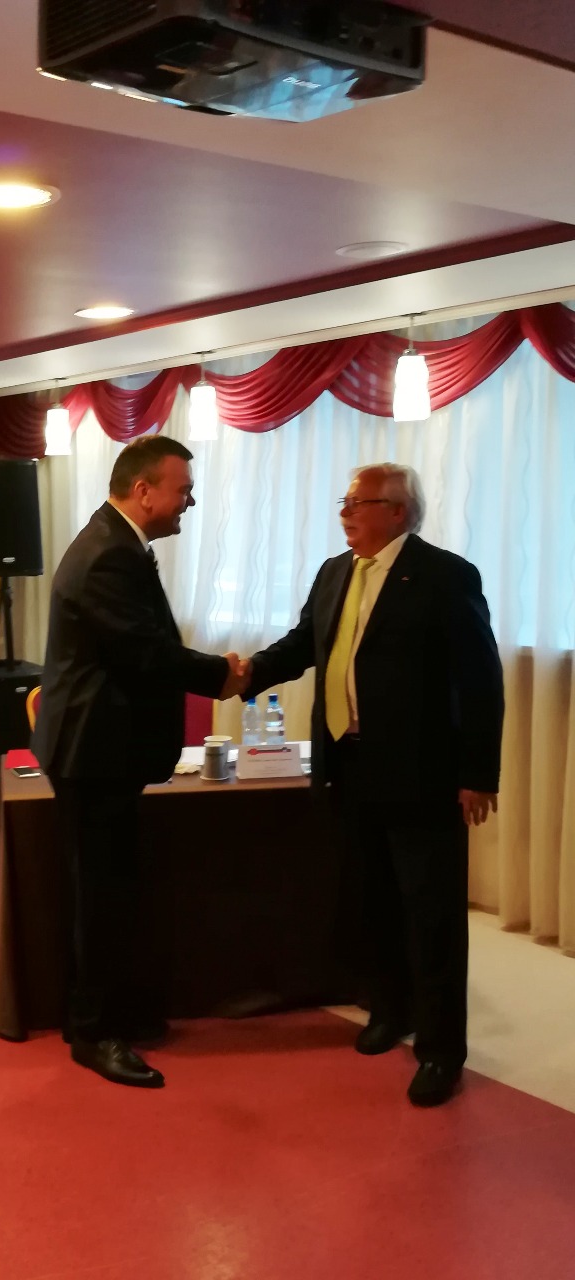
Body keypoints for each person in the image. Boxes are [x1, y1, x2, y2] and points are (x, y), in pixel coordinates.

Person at [242, 463, 504, 1107]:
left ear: (397, 511)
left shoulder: (445, 575)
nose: (345, 513)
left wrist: (477, 775)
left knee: (432, 914)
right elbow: (302, 645)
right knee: (374, 900)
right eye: (345, 502)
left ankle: (441, 1050)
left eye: (357, 503)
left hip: (423, 776)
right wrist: (240, 676)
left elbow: (480, 678)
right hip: (349, 765)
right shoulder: (336, 572)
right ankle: (390, 1010)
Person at [32, 436, 250, 1089]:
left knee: (112, 887)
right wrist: (221, 675)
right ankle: (93, 1031)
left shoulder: (117, 543)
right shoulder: (108, 555)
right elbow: (144, 651)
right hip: (93, 752)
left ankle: (109, 1013)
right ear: (144, 490)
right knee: (100, 894)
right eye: (184, 491)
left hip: (103, 749)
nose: (190, 503)